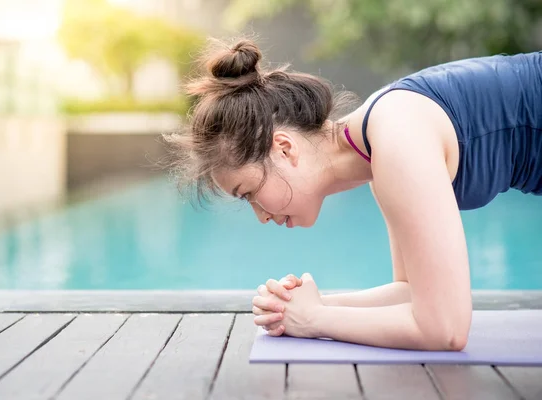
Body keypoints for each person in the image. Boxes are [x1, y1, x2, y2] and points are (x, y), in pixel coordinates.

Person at [163, 37, 542, 351]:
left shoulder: (396, 138)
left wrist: (315, 320)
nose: (260, 215)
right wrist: (305, 307)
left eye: (248, 193)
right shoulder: (377, 148)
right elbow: (411, 293)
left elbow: (445, 328)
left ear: (284, 148)